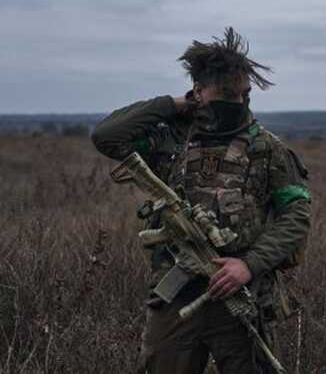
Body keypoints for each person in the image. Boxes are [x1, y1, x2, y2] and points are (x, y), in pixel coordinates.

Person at [92, 28, 311, 373]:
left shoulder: (268, 149)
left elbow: (296, 217)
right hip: (175, 299)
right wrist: (172, 106)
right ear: (198, 91)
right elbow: (106, 136)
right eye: (226, 94)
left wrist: (248, 264)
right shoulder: (170, 142)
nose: (238, 103)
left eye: (244, 94)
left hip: (241, 296)